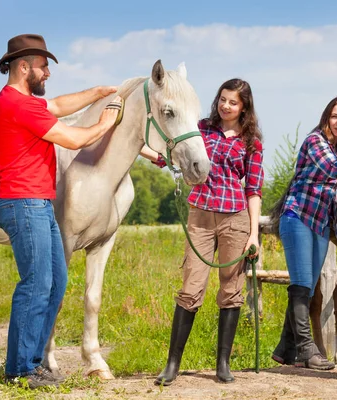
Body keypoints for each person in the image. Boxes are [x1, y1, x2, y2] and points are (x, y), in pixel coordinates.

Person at [0, 33, 123, 388]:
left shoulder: (23, 101)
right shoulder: (18, 105)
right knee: (36, 285)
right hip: (24, 204)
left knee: (56, 282)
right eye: (43, 67)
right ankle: (19, 370)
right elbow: (74, 138)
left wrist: (96, 93)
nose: (47, 73)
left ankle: (32, 363)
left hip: (38, 204)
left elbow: (61, 104)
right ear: (24, 67)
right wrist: (106, 122)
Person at [141, 78, 264, 385]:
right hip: (200, 215)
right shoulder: (201, 128)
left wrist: (253, 235)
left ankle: (222, 363)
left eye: (233, 102)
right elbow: (172, 153)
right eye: (222, 99)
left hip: (236, 219)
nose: (225, 105)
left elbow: (254, 190)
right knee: (191, 287)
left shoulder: (253, 143)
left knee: (231, 291)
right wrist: (143, 149)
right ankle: (172, 364)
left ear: (244, 107)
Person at [270, 95, 337, 370]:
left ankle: (285, 347)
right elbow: (335, 168)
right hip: (298, 218)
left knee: (307, 284)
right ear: (326, 117)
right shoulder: (316, 142)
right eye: (335, 116)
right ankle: (307, 349)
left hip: (319, 224)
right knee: (303, 284)